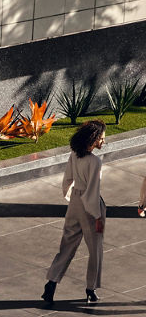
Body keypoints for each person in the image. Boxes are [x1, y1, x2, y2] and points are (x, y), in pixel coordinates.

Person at [41, 119, 106, 307]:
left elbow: (67, 179)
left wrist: (70, 197)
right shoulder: (95, 161)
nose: (102, 142)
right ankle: (90, 289)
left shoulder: (74, 155)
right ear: (93, 140)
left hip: (75, 203)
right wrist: (97, 216)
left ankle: (51, 283)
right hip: (89, 205)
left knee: (67, 245)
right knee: (95, 249)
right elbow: (93, 190)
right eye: (101, 138)